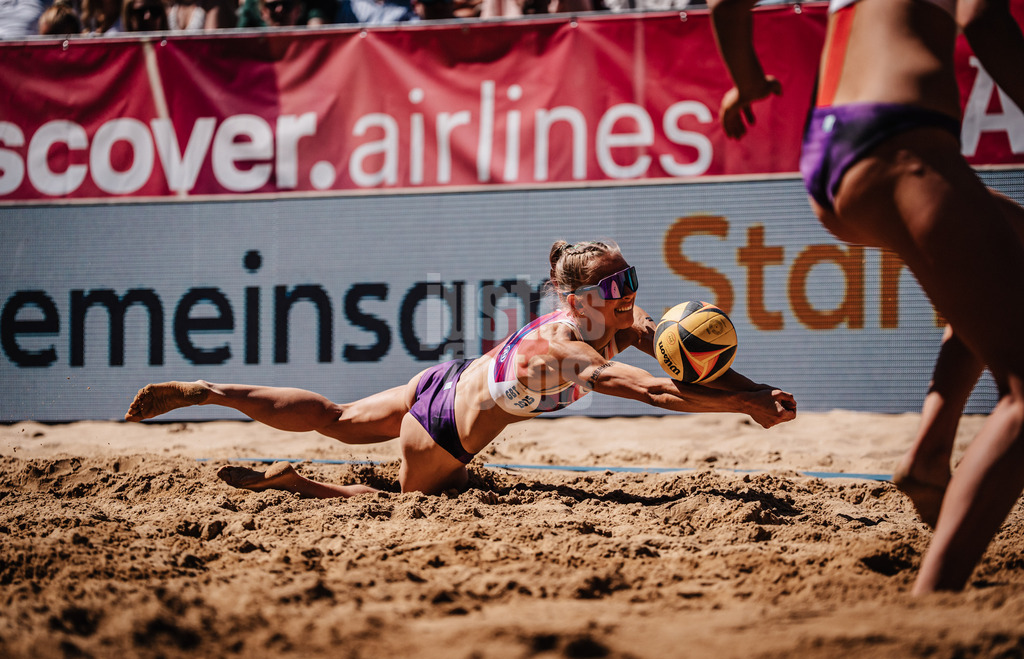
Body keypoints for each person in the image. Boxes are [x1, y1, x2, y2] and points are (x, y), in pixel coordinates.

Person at [708, 0, 1024, 594]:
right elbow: (984, 19)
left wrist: (746, 81)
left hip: (831, 148)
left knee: (1008, 254)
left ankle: (930, 454)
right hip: (901, 138)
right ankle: (936, 598)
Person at [125, 240, 797, 499]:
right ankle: (296, 484)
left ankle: (208, 388)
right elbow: (656, 389)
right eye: (615, 284)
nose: (628, 292)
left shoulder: (625, 319)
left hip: (444, 379)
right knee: (396, 505)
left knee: (335, 418)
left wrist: (755, 389)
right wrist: (743, 406)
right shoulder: (566, 348)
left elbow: (690, 370)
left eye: (630, 277)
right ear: (576, 298)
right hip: (443, 427)